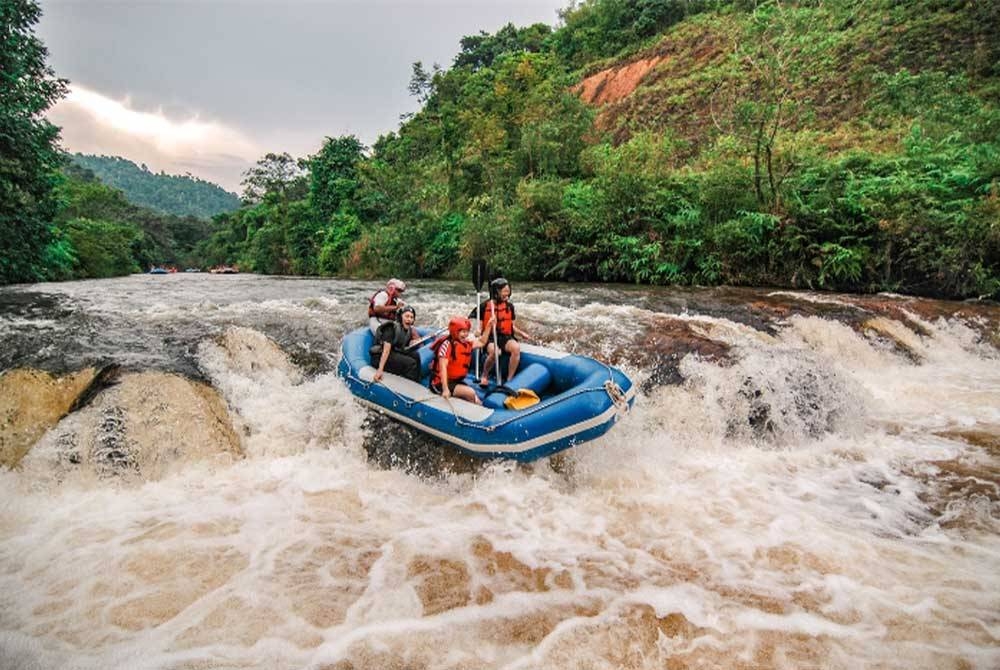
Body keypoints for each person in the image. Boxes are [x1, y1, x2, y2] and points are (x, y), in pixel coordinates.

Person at [479, 278, 532, 386]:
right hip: (490, 337)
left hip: (505, 337)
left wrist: (522, 333)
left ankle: (509, 379)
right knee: (495, 352)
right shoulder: (484, 306)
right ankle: (484, 375)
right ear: (496, 292)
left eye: (508, 291)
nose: (507, 294)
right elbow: (480, 327)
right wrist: (478, 332)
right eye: (504, 291)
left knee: (516, 348)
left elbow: (511, 326)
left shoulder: (509, 307)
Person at [429, 316, 491, 404]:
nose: (466, 334)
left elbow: (482, 342)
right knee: (471, 393)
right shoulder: (447, 345)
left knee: (477, 401)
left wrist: (489, 326)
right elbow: (443, 368)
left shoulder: (466, 344)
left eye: (467, 332)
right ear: (455, 332)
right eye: (463, 332)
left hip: (456, 381)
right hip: (439, 383)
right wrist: (445, 389)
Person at [371, 305, 422, 383]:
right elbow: (386, 351)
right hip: (379, 357)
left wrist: (413, 343)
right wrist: (380, 370)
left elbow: (402, 346)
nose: (409, 319)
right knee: (411, 363)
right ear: (400, 317)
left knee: (416, 356)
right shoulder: (391, 328)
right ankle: (409, 386)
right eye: (407, 316)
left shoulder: (408, 330)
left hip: (393, 353)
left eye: (411, 317)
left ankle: (417, 381)